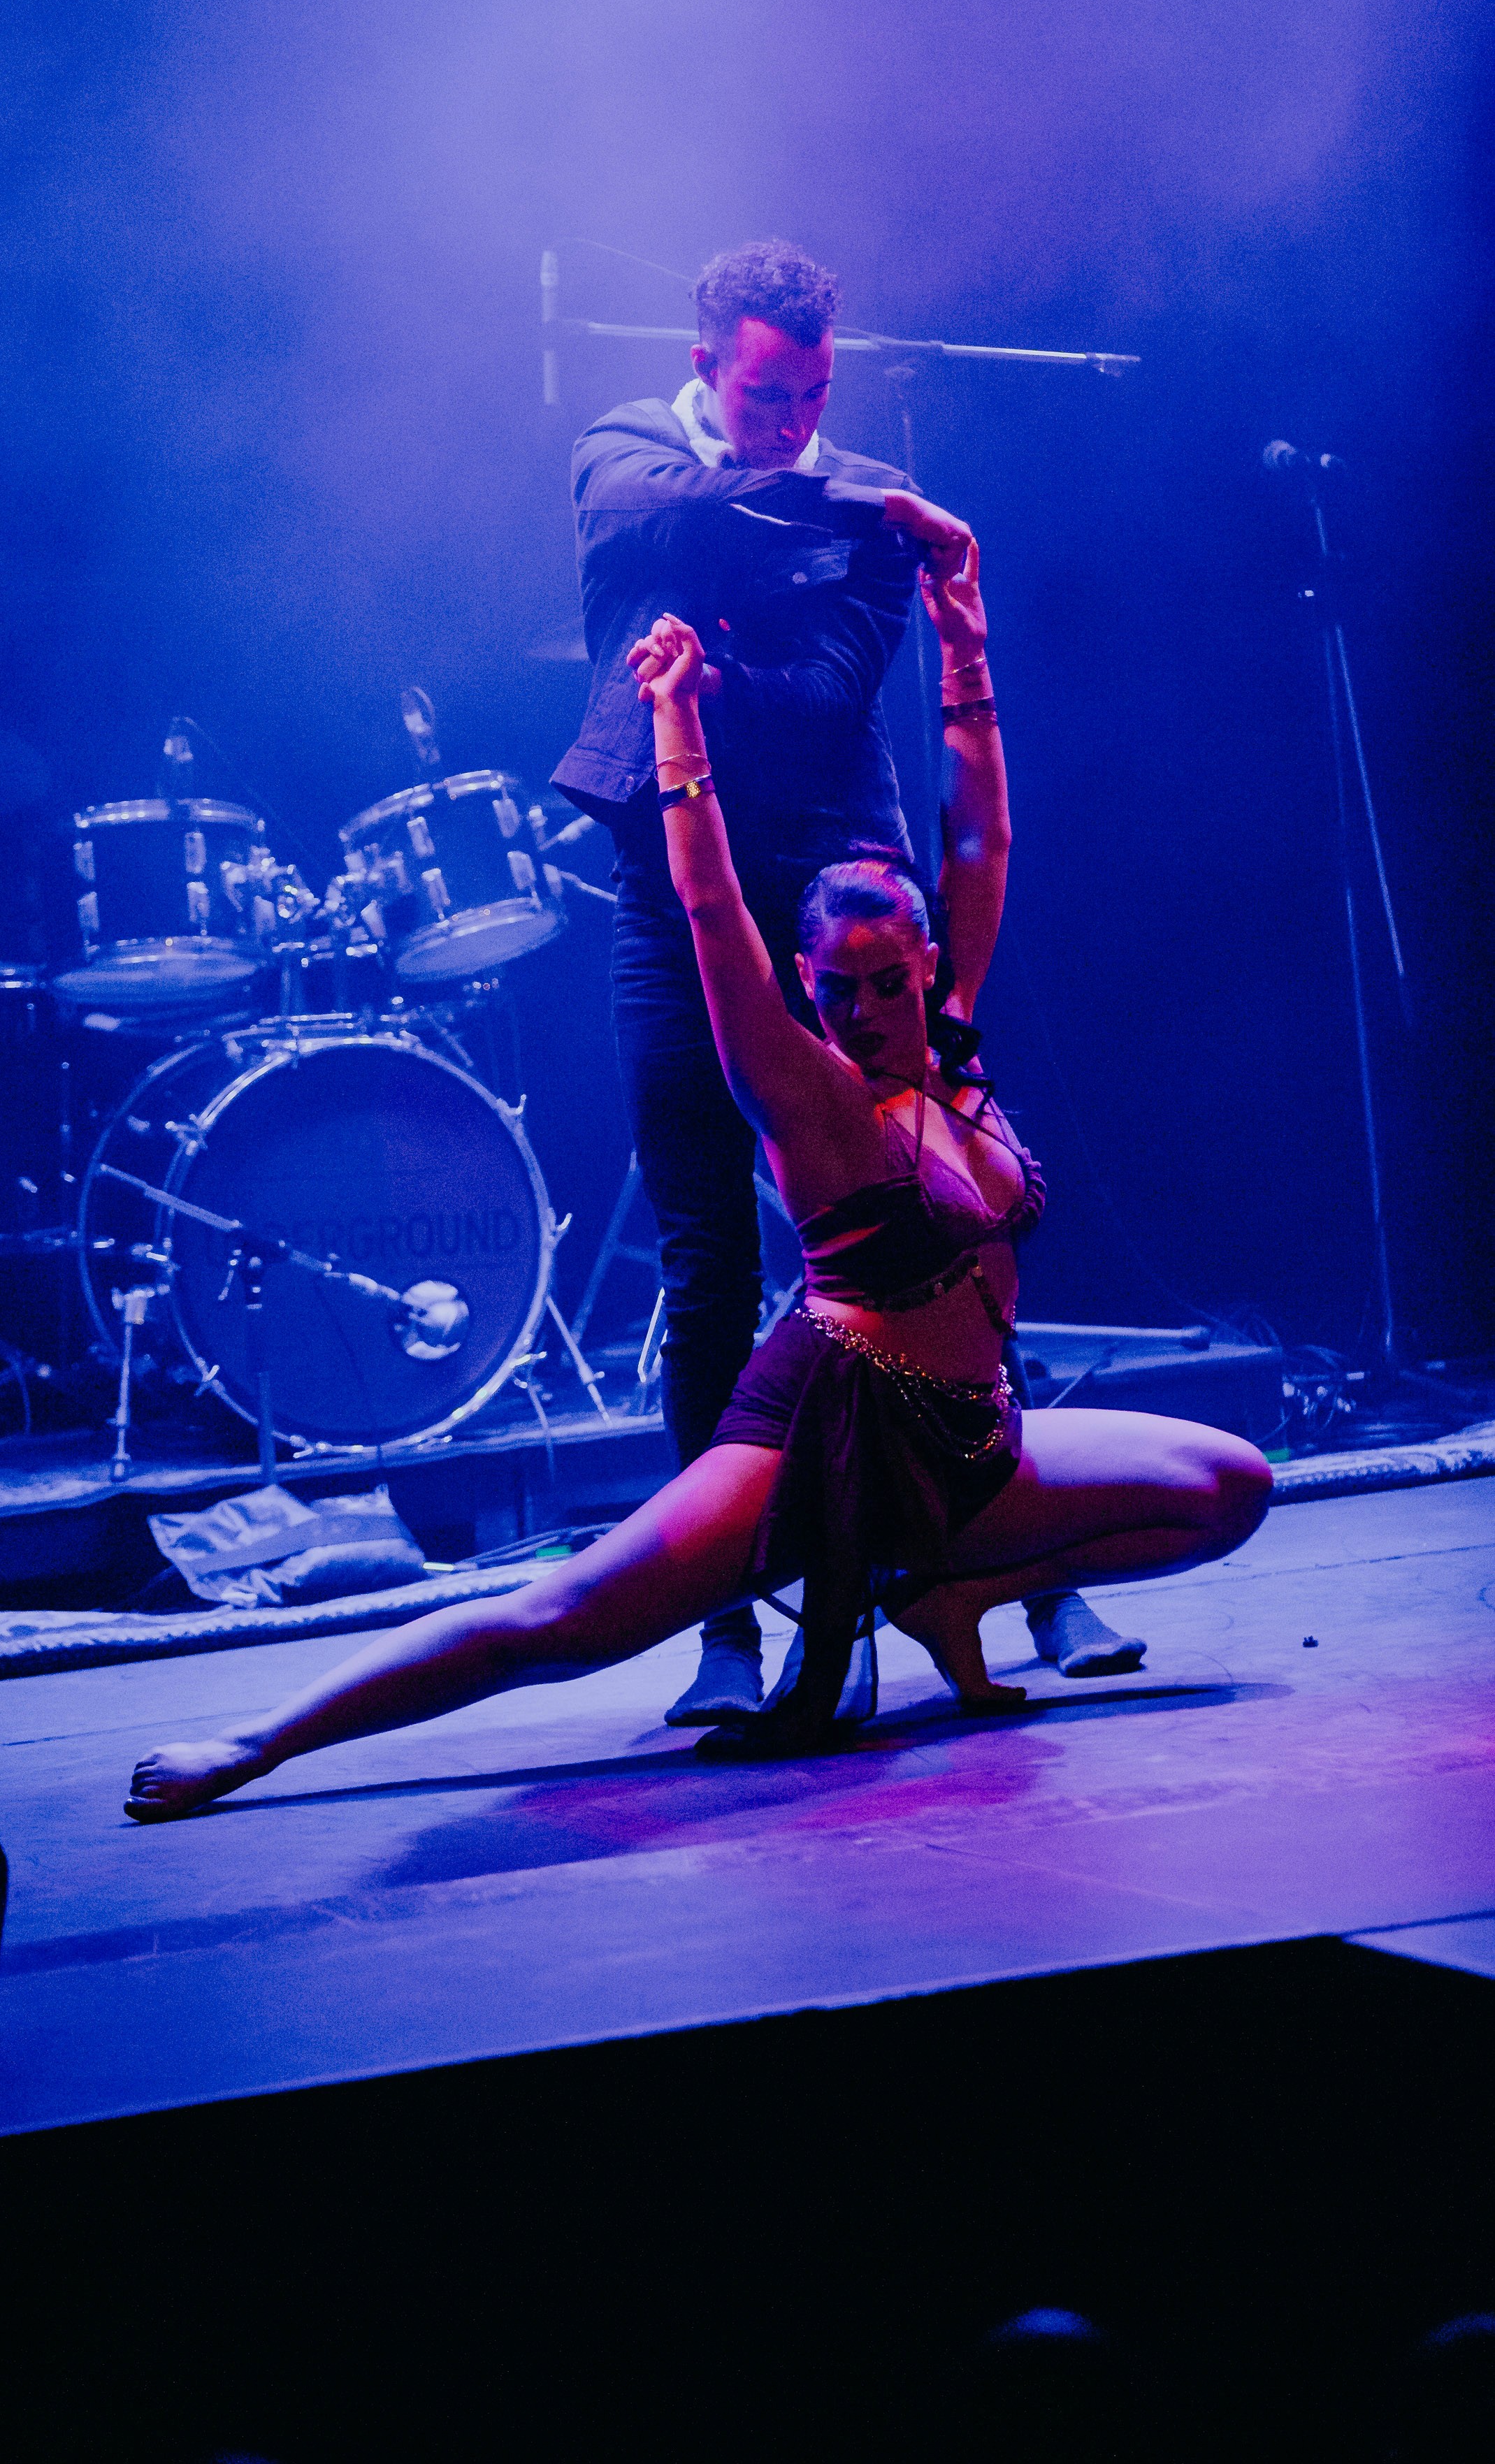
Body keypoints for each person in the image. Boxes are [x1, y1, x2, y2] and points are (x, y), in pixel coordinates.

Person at [126, 526, 1270, 1819]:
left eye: (892, 981)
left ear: (924, 962)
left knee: (1232, 1489)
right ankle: (261, 1740)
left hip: (973, 1442)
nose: (870, 1009)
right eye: (839, 989)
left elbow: (981, 836)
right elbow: (713, 909)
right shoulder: (803, 1086)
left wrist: (963, 636)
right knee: (559, 1620)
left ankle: (958, 1592)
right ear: (811, 986)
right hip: (827, 1427)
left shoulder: (949, 1029)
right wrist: (674, 725)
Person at [550, 237, 1139, 1726]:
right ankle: (725, 1625)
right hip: (673, 906)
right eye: (762, 393)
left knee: (926, 1235)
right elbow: (647, 506)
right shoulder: (625, 452)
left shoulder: (876, 508)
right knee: (706, 1271)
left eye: (811, 395)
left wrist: (722, 635)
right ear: (704, 369)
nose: (789, 420)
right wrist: (820, 503)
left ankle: (1023, 1570)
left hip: (834, 903)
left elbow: (821, 696)